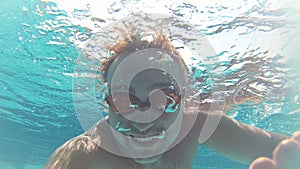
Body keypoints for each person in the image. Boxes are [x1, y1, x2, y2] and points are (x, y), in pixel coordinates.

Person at [43, 34, 298, 169]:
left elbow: (284, 150)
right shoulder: (83, 158)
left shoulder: (195, 123)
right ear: (106, 101)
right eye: (122, 100)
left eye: (164, 99)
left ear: (185, 101)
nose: (143, 122)